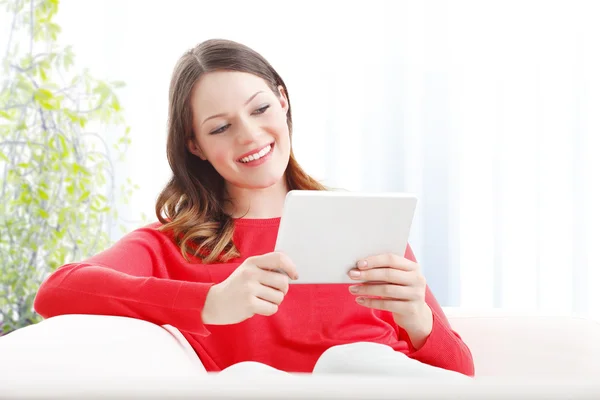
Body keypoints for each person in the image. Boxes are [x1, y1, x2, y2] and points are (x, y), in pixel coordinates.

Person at [33, 39, 475, 378]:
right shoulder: (172, 246)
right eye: (221, 127)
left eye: (260, 108)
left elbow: (461, 374)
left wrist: (417, 319)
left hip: (392, 385)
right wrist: (211, 301)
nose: (248, 135)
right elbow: (57, 291)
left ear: (282, 102)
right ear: (196, 146)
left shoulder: (361, 222)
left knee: (354, 360)